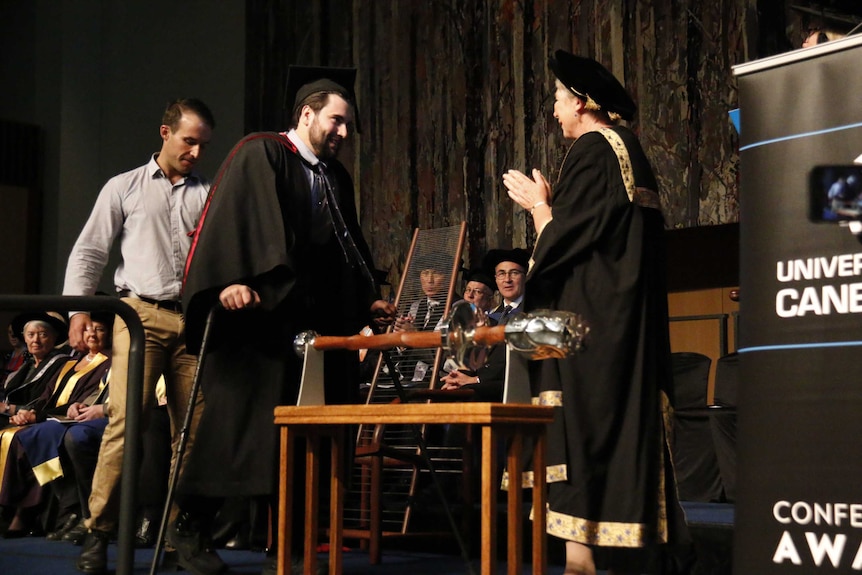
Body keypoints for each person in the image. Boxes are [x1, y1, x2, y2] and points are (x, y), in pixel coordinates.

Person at [179, 66, 395, 575]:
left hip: (311, 324)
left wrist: (367, 300)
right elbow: (234, 222)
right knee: (241, 433)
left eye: (347, 126)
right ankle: (190, 525)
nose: (343, 133)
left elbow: (345, 248)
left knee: (313, 432)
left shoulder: (334, 176)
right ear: (306, 114)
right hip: (258, 319)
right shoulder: (263, 151)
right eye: (336, 121)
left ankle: (297, 543)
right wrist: (232, 279)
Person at [502, 50, 686, 575]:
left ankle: (580, 561)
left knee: (579, 433)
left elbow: (563, 243)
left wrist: (540, 207)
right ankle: (615, 557)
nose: (555, 111)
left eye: (559, 100)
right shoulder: (628, 148)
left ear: (582, 103)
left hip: (588, 329)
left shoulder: (593, 147)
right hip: (625, 323)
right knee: (620, 434)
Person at [61, 97, 216, 575]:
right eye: (189, 141)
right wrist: (79, 311)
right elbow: (89, 251)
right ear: (166, 133)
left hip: (192, 321)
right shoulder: (123, 187)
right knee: (126, 422)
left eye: (203, 145)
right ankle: (99, 533)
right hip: (138, 316)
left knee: (193, 432)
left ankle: (178, 531)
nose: (195, 152)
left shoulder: (208, 193)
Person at [0, 313, 112, 538]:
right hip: (51, 417)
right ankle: (56, 508)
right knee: (21, 434)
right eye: (87, 328)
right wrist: (31, 412)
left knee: (32, 437)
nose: (91, 334)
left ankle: (30, 512)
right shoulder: (71, 362)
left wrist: (37, 416)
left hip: (74, 419)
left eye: (99, 329)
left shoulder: (110, 361)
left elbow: (91, 399)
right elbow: (47, 394)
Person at [2, 312, 71, 419]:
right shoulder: (26, 366)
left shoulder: (63, 364)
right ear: (24, 338)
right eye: (30, 335)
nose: (36, 340)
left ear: (54, 337)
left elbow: (51, 404)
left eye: (43, 334)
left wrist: (9, 409)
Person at [484, 248, 529, 323]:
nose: (507, 280)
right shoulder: (491, 318)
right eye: (501, 274)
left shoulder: (534, 314)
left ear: (525, 277)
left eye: (514, 273)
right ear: (496, 279)